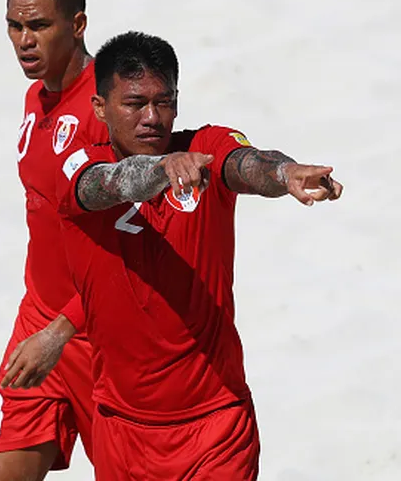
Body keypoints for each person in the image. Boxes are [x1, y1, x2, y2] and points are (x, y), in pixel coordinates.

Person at [53, 31, 343, 479]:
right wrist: (160, 169)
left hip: (217, 426)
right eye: (135, 104)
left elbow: (247, 163)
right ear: (100, 107)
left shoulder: (205, 147)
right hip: (122, 430)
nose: (152, 117)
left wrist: (284, 174)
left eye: (164, 102)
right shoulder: (79, 166)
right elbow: (112, 183)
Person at [0, 0, 106, 479]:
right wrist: (47, 327)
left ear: (77, 25)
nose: (24, 41)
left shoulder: (110, 107)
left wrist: (63, 330)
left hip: (102, 334)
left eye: (38, 26)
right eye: (15, 26)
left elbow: (137, 244)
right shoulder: (35, 97)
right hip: (37, 318)